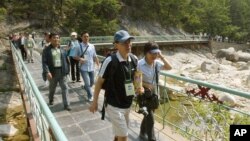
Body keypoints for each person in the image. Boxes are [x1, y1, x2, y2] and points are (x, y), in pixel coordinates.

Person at [89, 30, 141, 141]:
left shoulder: (134, 59)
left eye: (129, 41)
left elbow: (137, 77)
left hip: (127, 103)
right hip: (114, 105)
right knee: (124, 135)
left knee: (119, 134)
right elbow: (99, 82)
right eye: (124, 43)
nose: (128, 45)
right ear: (116, 44)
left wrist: (139, 87)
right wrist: (94, 102)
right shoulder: (110, 61)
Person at [137, 41, 172, 141]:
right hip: (143, 94)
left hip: (154, 95)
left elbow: (169, 67)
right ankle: (152, 138)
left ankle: (142, 132)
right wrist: (145, 84)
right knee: (151, 119)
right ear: (146, 52)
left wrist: (161, 56)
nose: (154, 55)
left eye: (156, 53)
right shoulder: (139, 64)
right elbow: (136, 81)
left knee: (148, 114)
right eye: (152, 53)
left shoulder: (157, 64)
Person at [42, 33, 71, 111]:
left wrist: (67, 71)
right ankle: (51, 99)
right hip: (52, 72)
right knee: (52, 88)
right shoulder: (46, 50)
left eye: (57, 38)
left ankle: (66, 104)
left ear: (59, 39)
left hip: (62, 72)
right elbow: (44, 62)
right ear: (50, 39)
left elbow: (66, 60)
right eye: (54, 38)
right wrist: (47, 72)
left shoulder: (62, 49)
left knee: (65, 88)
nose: (56, 39)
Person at [73, 31, 99, 101]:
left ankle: (85, 87)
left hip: (91, 67)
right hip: (83, 68)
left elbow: (95, 56)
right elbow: (74, 56)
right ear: (81, 37)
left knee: (92, 82)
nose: (86, 38)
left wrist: (98, 64)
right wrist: (80, 58)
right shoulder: (78, 46)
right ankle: (90, 96)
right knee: (87, 83)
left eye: (87, 36)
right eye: (84, 36)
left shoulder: (92, 46)